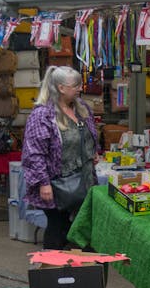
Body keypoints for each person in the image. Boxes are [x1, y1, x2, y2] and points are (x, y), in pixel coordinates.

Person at [21, 66, 99, 249]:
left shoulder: (82, 108)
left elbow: (89, 136)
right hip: (58, 185)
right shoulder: (42, 115)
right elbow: (34, 153)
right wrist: (43, 183)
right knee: (58, 229)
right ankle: (51, 273)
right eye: (76, 85)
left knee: (87, 231)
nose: (80, 88)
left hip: (85, 180)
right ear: (61, 88)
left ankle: (87, 273)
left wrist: (93, 151)